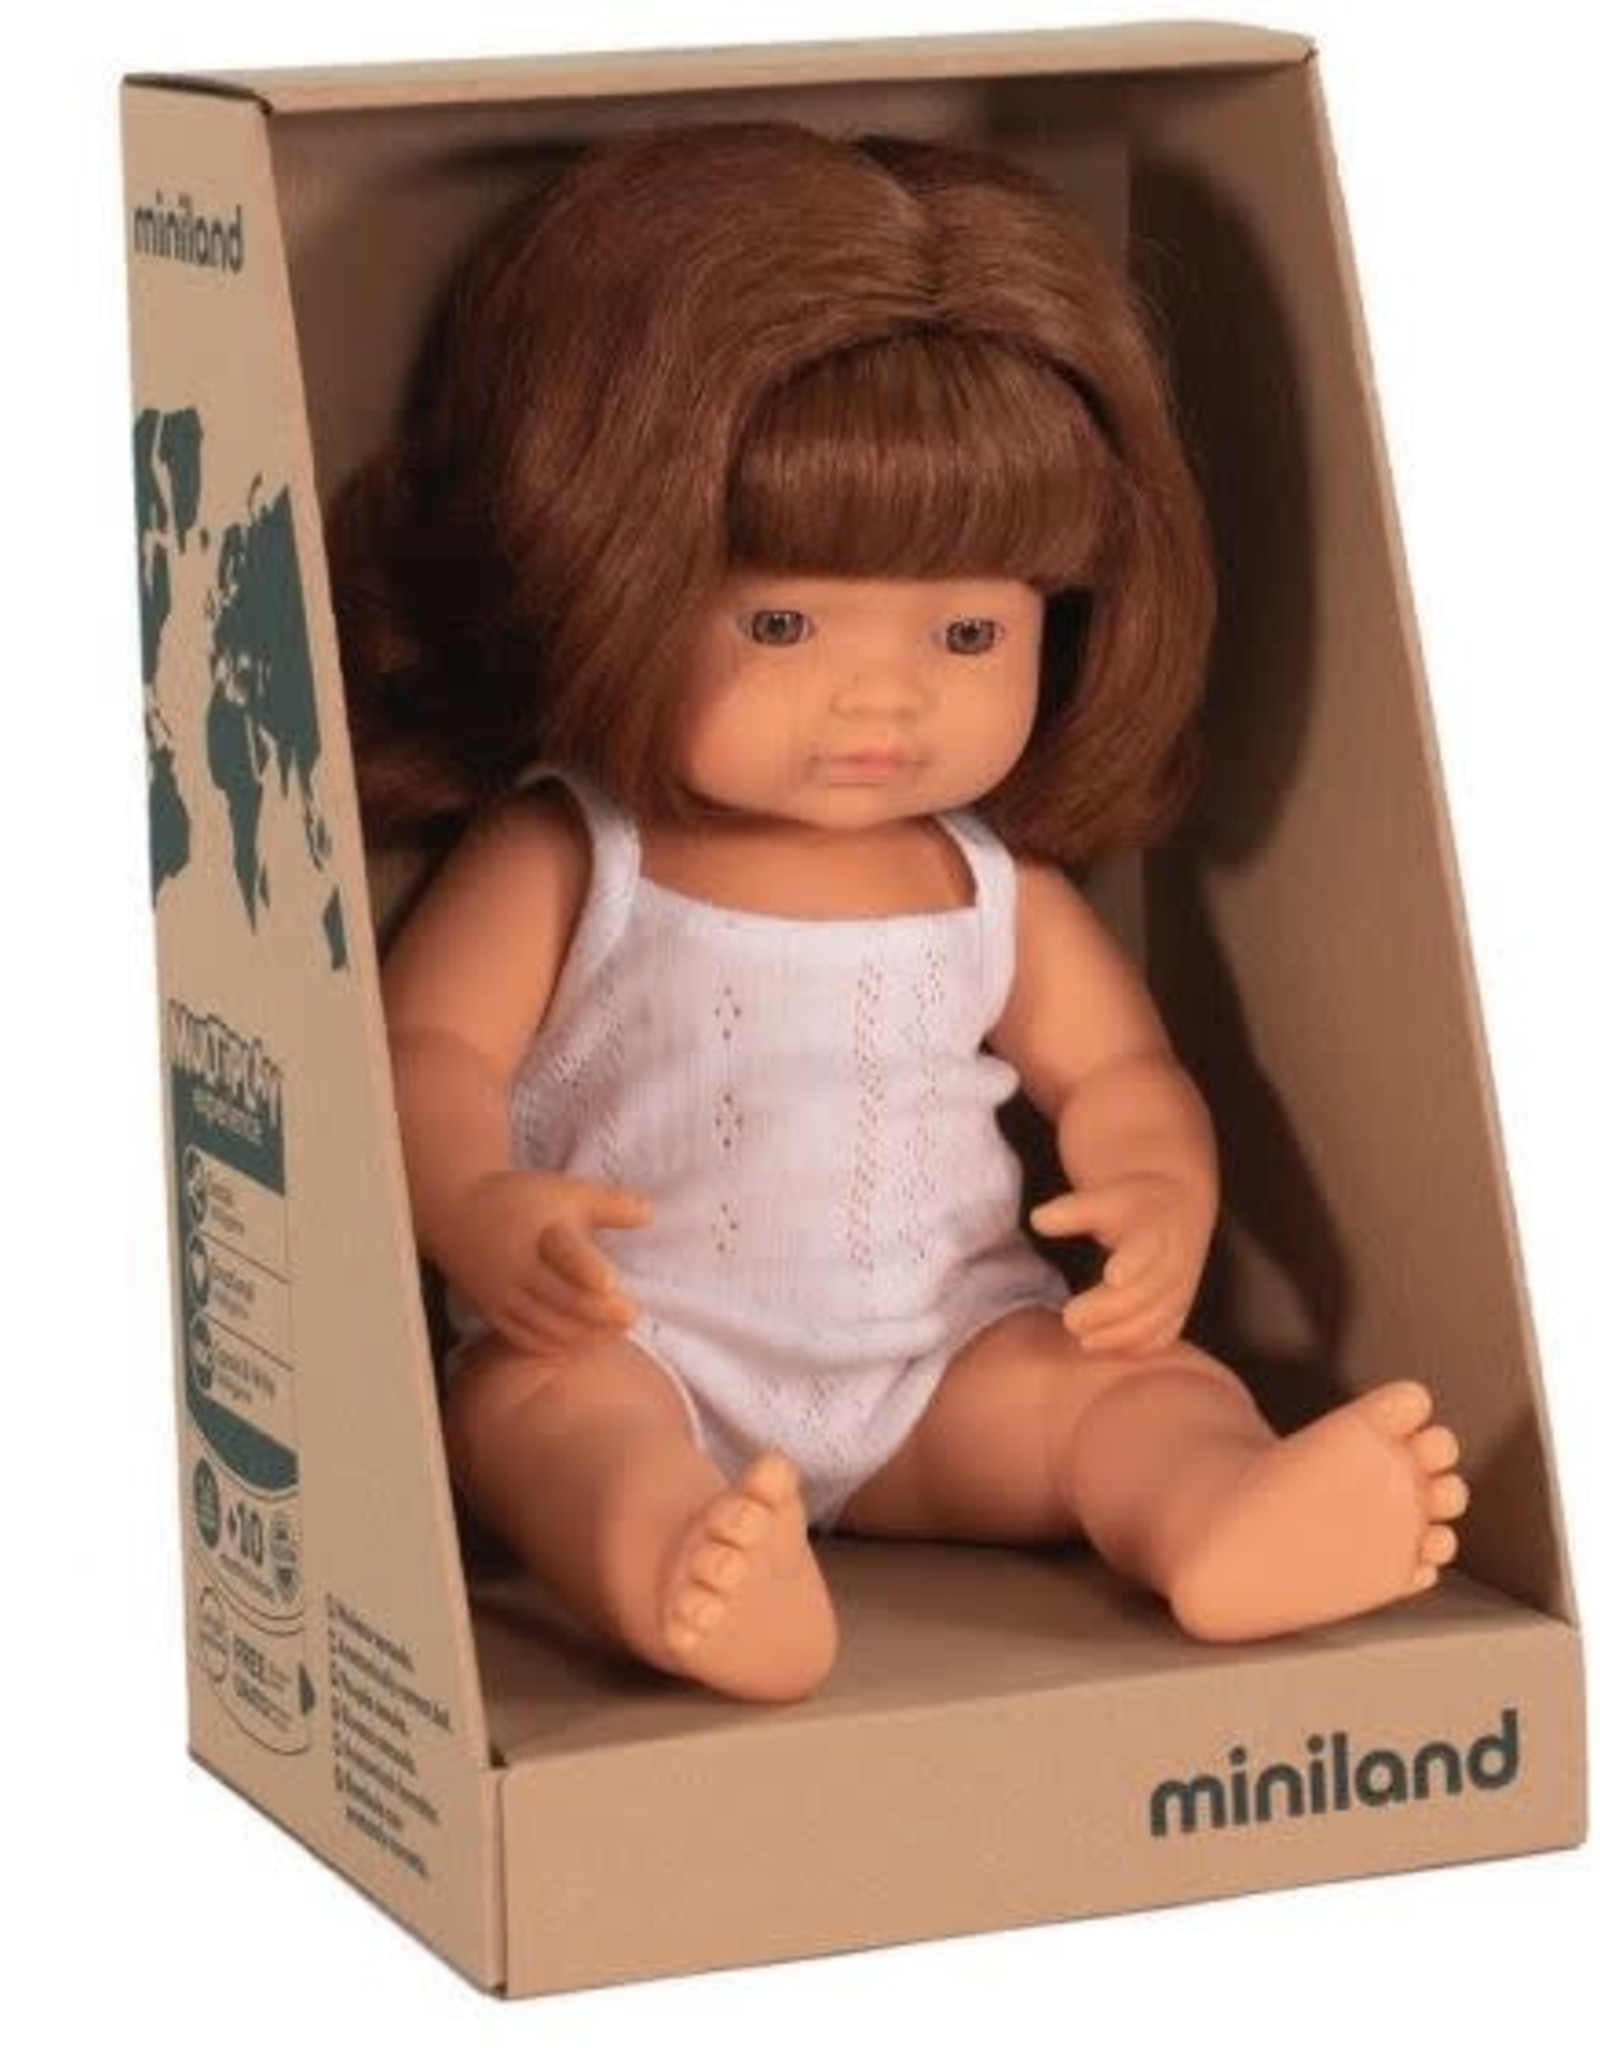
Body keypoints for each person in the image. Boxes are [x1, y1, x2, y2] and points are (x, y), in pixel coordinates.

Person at [335, 122, 1467, 1703]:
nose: (884, 698)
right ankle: (671, 1561)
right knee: (540, 1419)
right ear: (606, 579)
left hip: (944, 1358)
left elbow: (1121, 1075)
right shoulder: (575, 852)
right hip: (641, 1342)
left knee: (1130, 1393)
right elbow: (424, 1056)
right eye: (782, 624)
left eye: (966, 633)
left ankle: (1218, 1513)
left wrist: (1157, 1193)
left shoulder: (991, 881)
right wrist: (473, 1202)